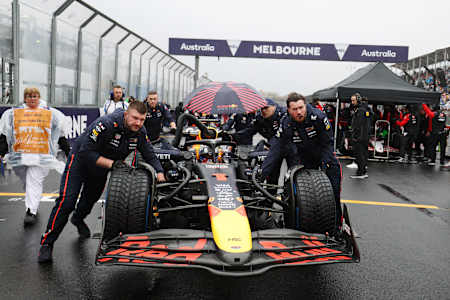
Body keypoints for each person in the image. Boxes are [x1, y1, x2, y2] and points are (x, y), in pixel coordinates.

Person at [38, 101, 166, 263]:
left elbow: (149, 153)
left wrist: (160, 172)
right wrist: (112, 164)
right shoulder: (105, 124)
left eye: (142, 119)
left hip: (101, 168)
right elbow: (86, 152)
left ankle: (77, 218)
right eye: (135, 118)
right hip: (80, 162)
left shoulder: (140, 131)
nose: (138, 123)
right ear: (126, 115)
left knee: (89, 201)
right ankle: (47, 243)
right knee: (67, 202)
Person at [261, 92, 342, 225]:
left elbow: (328, 143)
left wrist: (324, 166)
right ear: (288, 110)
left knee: (331, 196)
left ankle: (337, 226)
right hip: (304, 160)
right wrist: (263, 172)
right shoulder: (286, 122)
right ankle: (303, 225)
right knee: (301, 197)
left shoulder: (319, 117)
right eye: (295, 109)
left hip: (326, 159)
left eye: (301, 108)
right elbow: (276, 149)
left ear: (305, 106)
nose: (299, 112)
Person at [0, 87, 70, 226]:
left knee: (34, 180)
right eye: (29, 96)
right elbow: (5, 133)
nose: (32, 99)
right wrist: (1, 152)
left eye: (35, 96)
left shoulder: (50, 114)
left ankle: (31, 211)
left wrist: (68, 154)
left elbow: (60, 134)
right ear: (25, 98)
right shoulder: (14, 114)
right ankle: (32, 205)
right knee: (27, 182)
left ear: (39, 97)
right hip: (21, 156)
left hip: (41, 157)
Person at [350, 93, 370, 179]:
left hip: (360, 137)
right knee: (362, 154)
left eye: (353, 100)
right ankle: (362, 171)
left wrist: (357, 137)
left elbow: (359, 125)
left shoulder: (361, 110)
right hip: (363, 136)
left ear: (358, 100)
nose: (352, 102)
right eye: (351, 100)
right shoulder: (364, 109)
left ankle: (361, 172)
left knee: (360, 154)